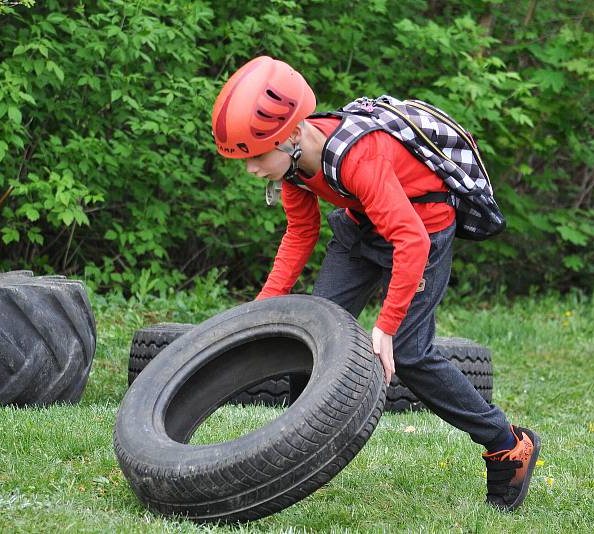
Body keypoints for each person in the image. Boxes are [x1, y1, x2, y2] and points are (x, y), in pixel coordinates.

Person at [211, 55, 540, 512]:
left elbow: (412, 241)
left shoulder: (359, 157)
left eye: (254, 156)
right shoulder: (293, 168)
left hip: (423, 227)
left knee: (409, 352)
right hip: (360, 228)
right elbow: (300, 234)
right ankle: (294, 452)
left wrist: (384, 328)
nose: (250, 169)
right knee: (309, 335)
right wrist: (261, 308)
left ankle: (507, 445)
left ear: (288, 136)